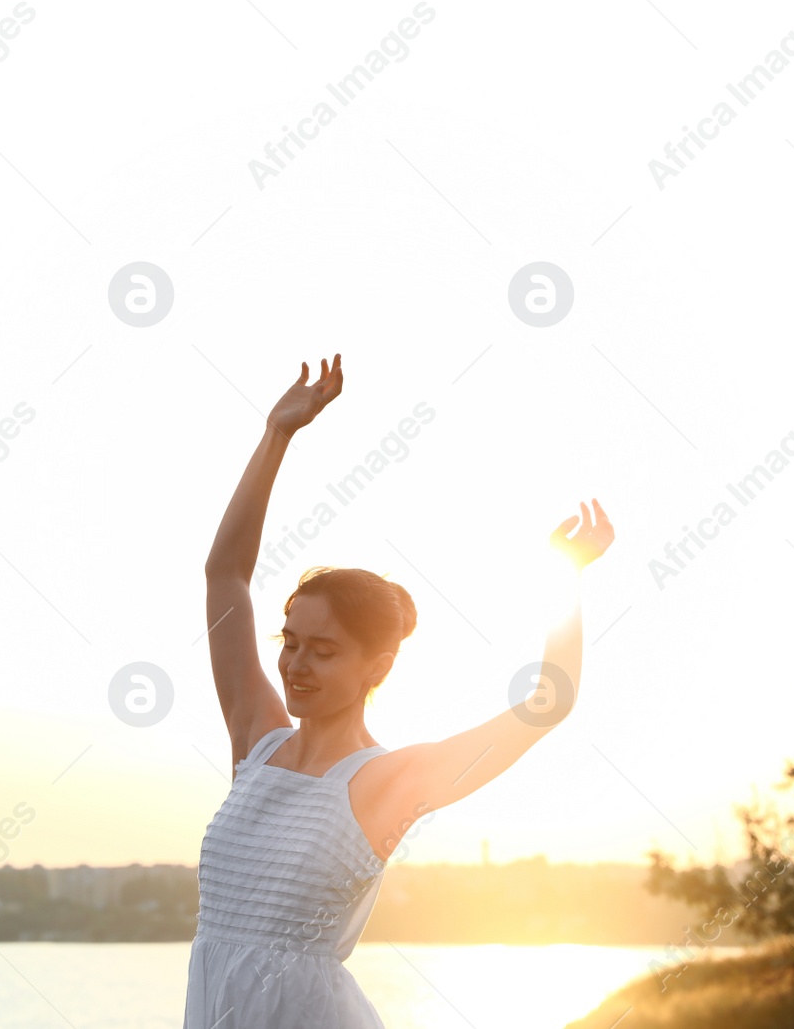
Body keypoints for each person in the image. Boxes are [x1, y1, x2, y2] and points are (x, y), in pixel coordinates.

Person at [184, 353, 614, 1027]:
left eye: (323, 651)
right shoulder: (255, 743)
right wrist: (277, 434)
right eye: (290, 641)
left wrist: (569, 577)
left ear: (376, 667)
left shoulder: (390, 779)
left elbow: (546, 703)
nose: (296, 663)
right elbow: (226, 576)